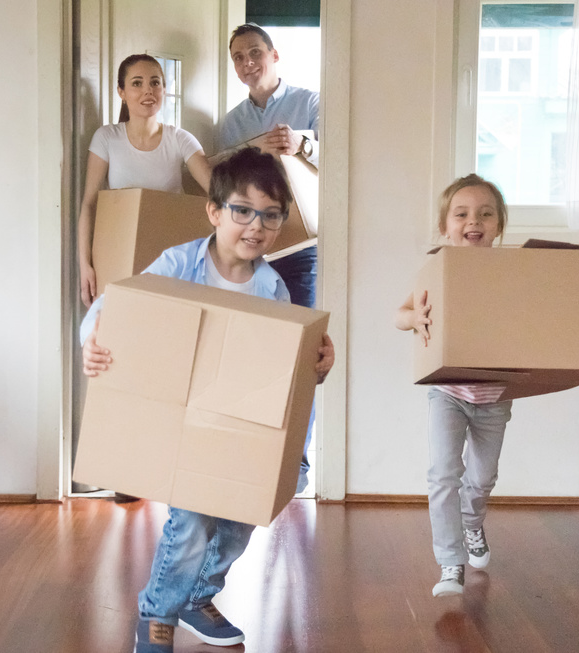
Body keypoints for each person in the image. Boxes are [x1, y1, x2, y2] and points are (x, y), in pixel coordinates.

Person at [80, 148, 335, 653]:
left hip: (237, 423)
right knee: (192, 521)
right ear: (215, 212)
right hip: (185, 418)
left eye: (270, 215)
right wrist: (94, 339)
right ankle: (158, 613)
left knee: (240, 520)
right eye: (242, 211)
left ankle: (199, 597)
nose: (255, 226)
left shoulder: (272, 287)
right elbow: (118, 306)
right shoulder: (180, 263)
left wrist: (317, 367)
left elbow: (283, 367)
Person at [394, 173, 511, 598]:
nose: (473, 222)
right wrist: (417, 319)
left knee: (481, 480)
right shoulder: (437, 268)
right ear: (446, 227)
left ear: (499, 225)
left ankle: (472, 522)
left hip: (495, 396)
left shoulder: (513, 272)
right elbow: (400, 315)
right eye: (461, 214)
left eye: (485, 214)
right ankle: (450, 562)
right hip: (447, 393)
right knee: (444, 474)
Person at [220, 23, 320, 492]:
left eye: (255, 53)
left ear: (274, 55)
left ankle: (296, 467)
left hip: (301, 249)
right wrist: (252, 148)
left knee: (302, 355)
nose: (248, 63)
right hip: (248, 250)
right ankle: (252, 457)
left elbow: (343, 159)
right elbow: (218, 179)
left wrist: (302, 143)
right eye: (239, 56)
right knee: (252, 355)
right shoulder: (231, 124)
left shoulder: (312, 103)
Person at [77, 53, 212, 307]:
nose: (148, 91)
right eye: (137, 83)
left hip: (171, 261)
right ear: (121, 92)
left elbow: (218, 193)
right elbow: (89, 205)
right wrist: (85, 265)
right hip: (118, 256)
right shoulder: (107, 138)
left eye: (155, 82)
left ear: (164, 89)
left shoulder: (180, 139)